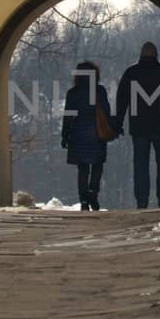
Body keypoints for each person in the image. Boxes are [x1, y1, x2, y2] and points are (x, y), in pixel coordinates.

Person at [115, 41, 160, 209]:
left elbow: (121, 100)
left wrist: (118, 123)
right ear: (156, 55)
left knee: (140, 165)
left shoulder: (131, 73)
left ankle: (142, 202)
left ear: (141, 55)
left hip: (139, 127)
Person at [60, 61, 115, 211]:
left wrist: (65, 134)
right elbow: (106, 111)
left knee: (82, 169)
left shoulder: (73, 93)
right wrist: (113, 128)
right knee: (97, 165)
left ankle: (84, 200)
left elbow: (68, 115)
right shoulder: (100, 91)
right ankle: (93, 193)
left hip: (78, 133)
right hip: (97, 133)